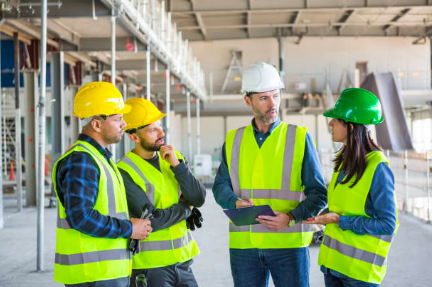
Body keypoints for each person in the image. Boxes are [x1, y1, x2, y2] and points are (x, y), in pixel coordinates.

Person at [212, 62, 327, 287]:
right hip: (244, 246)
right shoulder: (234, 139)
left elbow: (319, 194)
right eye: (264, 98)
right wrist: (234, 203)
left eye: (275, 95)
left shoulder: (299, 137)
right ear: (248, 100)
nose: (272, 104)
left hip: (288, 246)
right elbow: (219, 187)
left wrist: (291, 218)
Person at [53, 82, 152, 287]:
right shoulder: (81, 160)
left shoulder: (99, 158)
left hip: (103, 272)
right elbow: (81, 217)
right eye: (118, 119)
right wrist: (128, 228)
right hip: (93, 274)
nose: (124, 124)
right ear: (97, 124)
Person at [303, 88, 398, 286]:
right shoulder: (343, 162)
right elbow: (345, 207)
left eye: (336, 120)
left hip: (359, 274)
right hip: (333, 267)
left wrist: (340, 220)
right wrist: (322, 216)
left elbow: (387, 224)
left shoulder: (377, 167)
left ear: (352, 126)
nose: (330, 123)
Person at [117, 98, 206, 287]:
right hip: (150, 269)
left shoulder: (174, 158)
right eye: (152, 129)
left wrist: (178, 166)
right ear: (134, 137)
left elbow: (198, 198)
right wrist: (186, 207)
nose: (161, 133)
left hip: (183, 262)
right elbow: (152, 221)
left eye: (160, 126)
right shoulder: (125, 171)